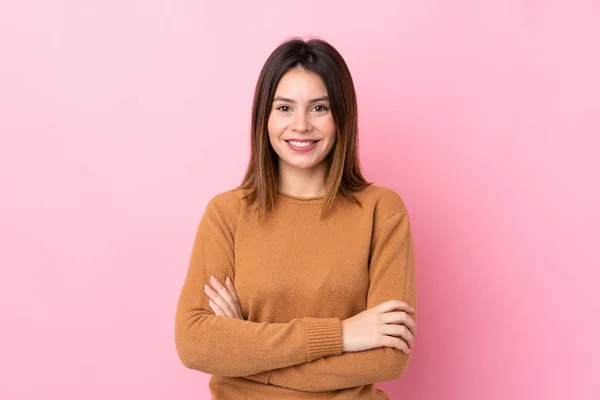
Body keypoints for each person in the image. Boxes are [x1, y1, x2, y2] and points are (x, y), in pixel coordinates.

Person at [174, 37, 417, 400]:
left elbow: (387, 358)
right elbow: (195, 342)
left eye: (319, 108)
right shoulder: (227, 214)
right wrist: (343, 335)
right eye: (284, 108)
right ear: (264, 117)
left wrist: (247, 355)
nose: (301, 125)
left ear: (342, 116)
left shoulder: (382, 212)